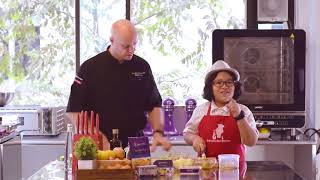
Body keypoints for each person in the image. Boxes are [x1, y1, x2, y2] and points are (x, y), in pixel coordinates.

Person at [66, 19, 171, 152]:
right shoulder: (90, 68)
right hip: (99, 144)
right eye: (126, 46)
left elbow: (154, 104)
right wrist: (96, 136)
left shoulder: (142, 66)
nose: (131, 50)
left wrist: (158, 132)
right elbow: (74, 110)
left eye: (134, 44)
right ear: (112, 40)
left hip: (136, 144)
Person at [183, 60, 258, 162]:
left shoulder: (244, 111)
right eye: (219, 82)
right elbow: (187, 133)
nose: (224, 86)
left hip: (235, 171)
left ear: (235, 86)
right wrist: (194, 139)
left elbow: (251, 142)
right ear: (210, 87)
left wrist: (239, 116)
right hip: (206, 169)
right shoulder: (201, 110)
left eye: (229, 82)